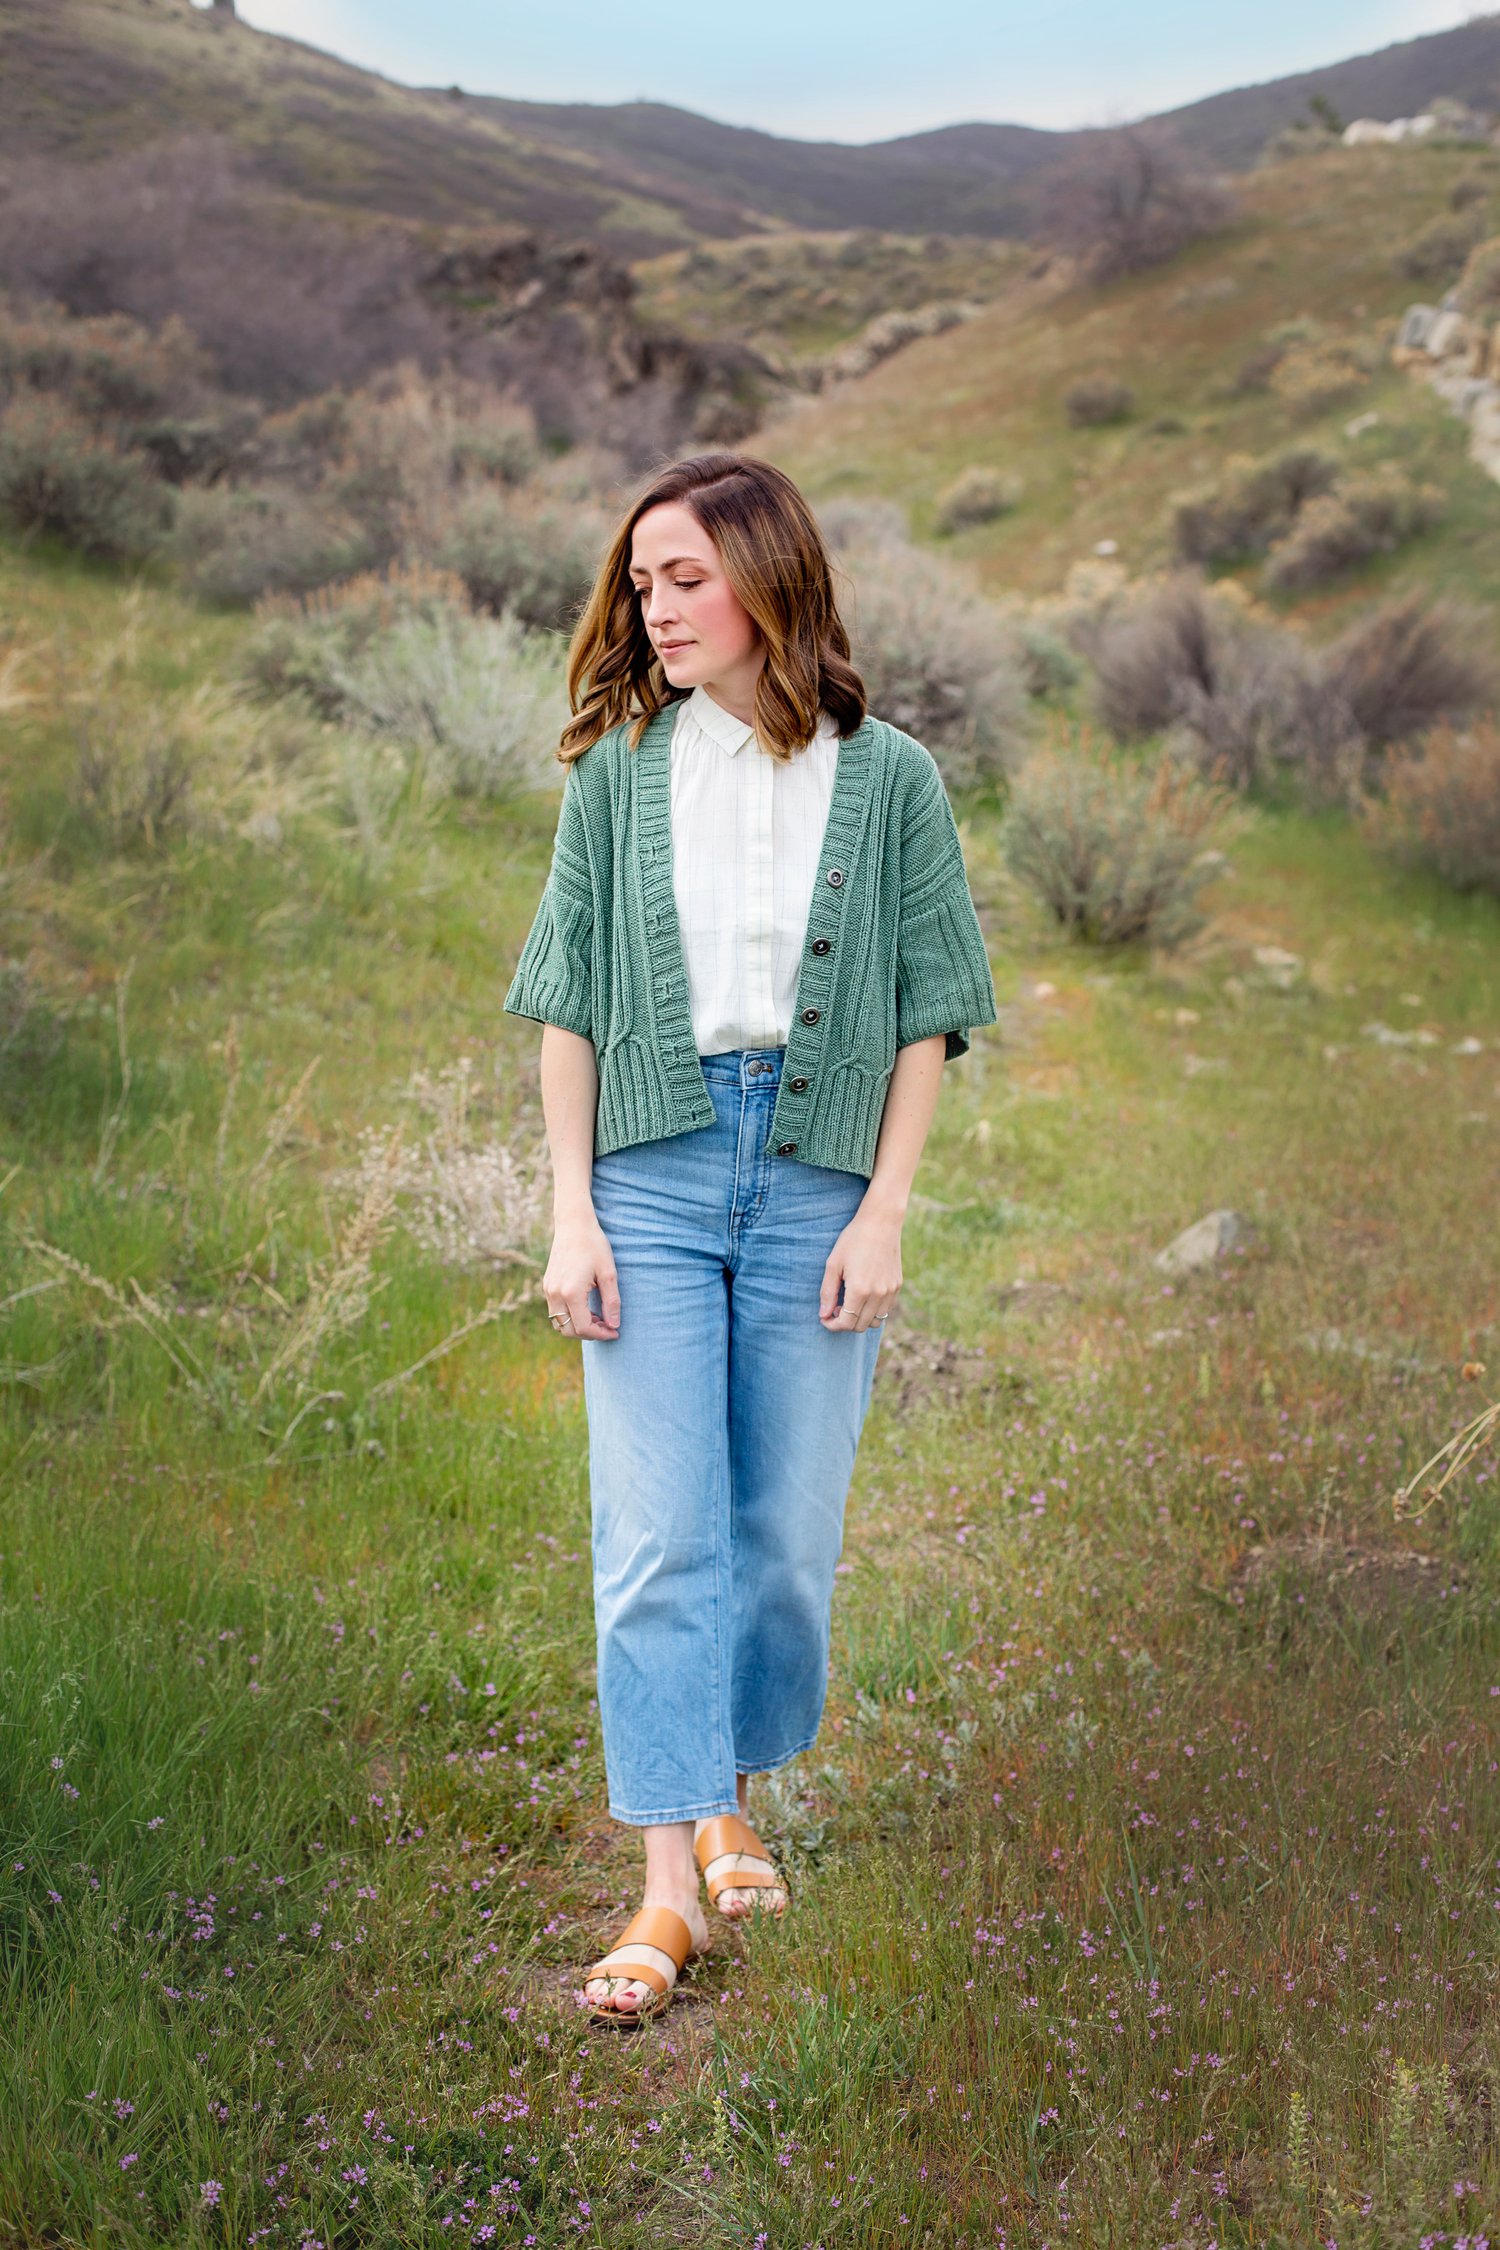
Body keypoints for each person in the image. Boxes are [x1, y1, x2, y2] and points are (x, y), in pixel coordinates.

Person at [502, 451, 997, 2026]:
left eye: (687, 578)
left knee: (780, 1540)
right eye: (640, 583)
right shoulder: (617, 776)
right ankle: (668, 1883)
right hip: (649, 1169)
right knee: (658, 1534)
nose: (655, 608)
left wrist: (884, 1210)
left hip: (815, 1178)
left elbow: (927, 1013)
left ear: (770, 580)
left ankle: (728, 1786)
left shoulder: (891, 779)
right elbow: (567, 1007)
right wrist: (572, 1210)